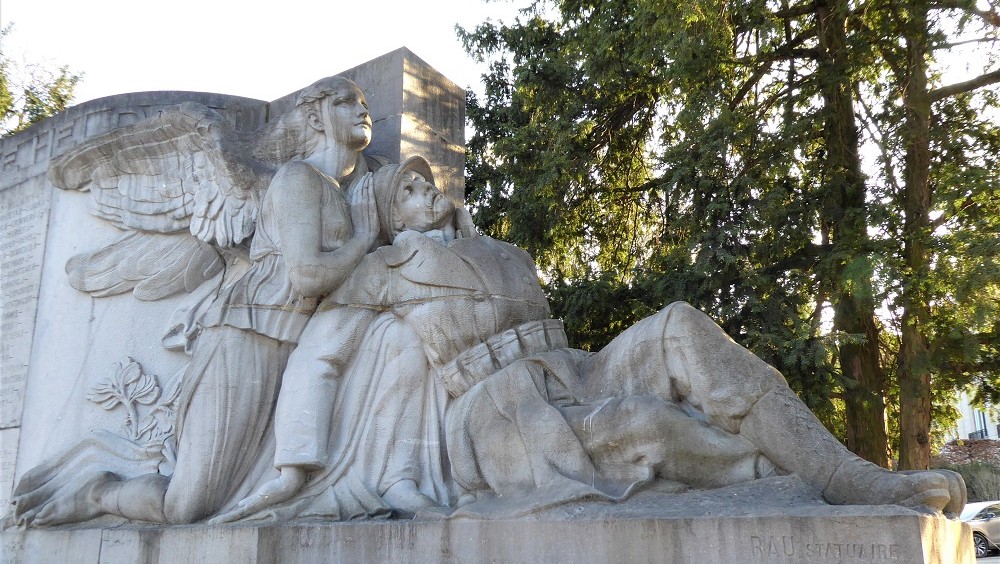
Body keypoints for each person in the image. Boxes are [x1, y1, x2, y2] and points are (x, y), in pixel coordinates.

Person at [219, 157, 965, 523]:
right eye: (404, 189)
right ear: (389, 213)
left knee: (677, 323)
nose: (423, 187)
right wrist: (347, 237)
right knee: (646, 428)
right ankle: (795, 488)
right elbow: (309, 290)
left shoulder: (499, 249)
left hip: (570, 367)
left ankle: (848, 476)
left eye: (426, 180)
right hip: (496, 412)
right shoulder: (381, 265)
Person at [16, 76, 381, 526]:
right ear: (313, 118)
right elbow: (308, 276)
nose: (361, 110)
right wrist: (364, 240)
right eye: (346, 102)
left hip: (299, 350)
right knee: (186, 507)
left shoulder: (355, 190)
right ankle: (99, 492)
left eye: (364, 104)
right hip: (245, 341)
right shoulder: (298, 178)